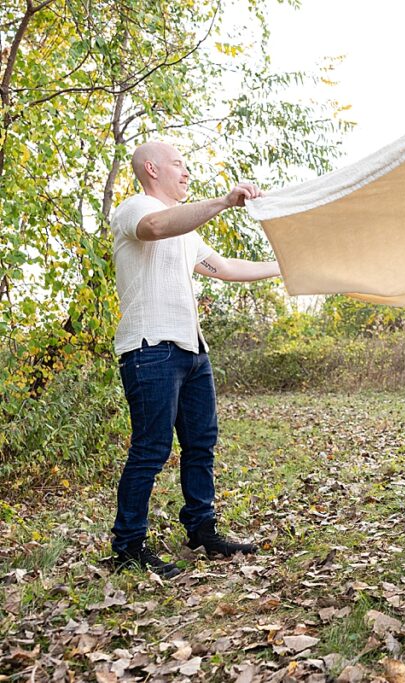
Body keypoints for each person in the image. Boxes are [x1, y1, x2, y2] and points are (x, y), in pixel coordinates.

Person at [109, 140, 281, 577]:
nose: (186, 174)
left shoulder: (187, 231)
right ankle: (128, 545)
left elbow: (223, 268)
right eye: (179, 165)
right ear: (152, 168)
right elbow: (155, 228)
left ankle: (201, 529)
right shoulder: (134, 208)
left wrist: (286, 266)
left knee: (201, 445)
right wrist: (225, 201)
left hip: (192, 351)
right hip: (150, 349)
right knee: (151, 450)